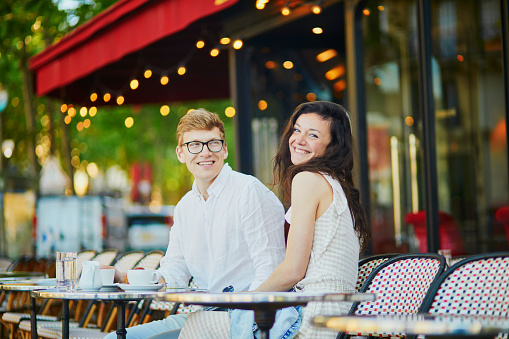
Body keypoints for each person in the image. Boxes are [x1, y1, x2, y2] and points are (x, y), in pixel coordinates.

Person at [179, 101, 371, 338]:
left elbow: (292, 271)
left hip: (314, 318)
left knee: (200, 323)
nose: (299, 140)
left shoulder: (308, 180)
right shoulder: (333, 183)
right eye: (296, 130)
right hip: (332, 313)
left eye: (312, 135)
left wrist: (244, 300)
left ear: (333, 145)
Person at [104, 108, 286, 339]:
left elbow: (270, 269)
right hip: (205, 316)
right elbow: (174, 272)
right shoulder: (184, 207)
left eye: (213, 143)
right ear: (181, 153)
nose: (205, 152)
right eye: (194, 145)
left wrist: (246, 322)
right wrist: (126, 278)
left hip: (244, 319)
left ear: (225, 149)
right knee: (114, 338)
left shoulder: (248, 191)